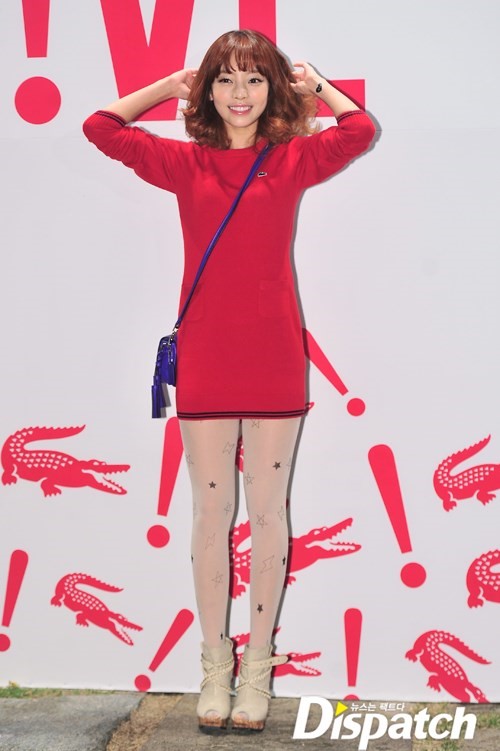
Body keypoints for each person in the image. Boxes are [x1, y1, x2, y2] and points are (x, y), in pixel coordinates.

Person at [83, 29, 375, 733]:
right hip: (208, 354)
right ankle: (215, 664)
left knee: (269, 513)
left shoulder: (294, 158)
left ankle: (258, 670)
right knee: (211, 513)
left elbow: (360, 131)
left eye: (253, 79)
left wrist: (317, 86)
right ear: (207, 91)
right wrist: (167, 86)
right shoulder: (186, 163)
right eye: (225, 79)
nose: (239, 93)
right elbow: (100, 128)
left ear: (273, 89)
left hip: (274, 353)